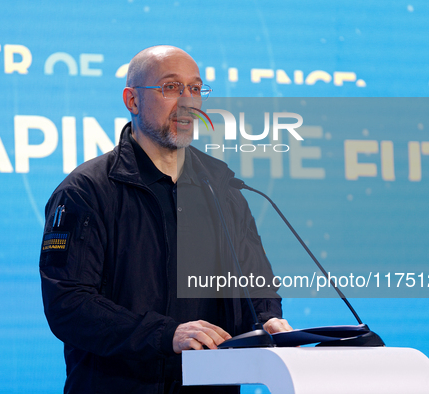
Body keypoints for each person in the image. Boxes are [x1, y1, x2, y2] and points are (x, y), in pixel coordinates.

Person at [39, 45, 292, 394]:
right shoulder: (86, 191)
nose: (188, 101)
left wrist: (267, 320)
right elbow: (69, 304)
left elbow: (255, 282)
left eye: (195, 88)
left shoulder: (222, 188)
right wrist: (166, 335)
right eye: (171, 87)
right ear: (132, 100)